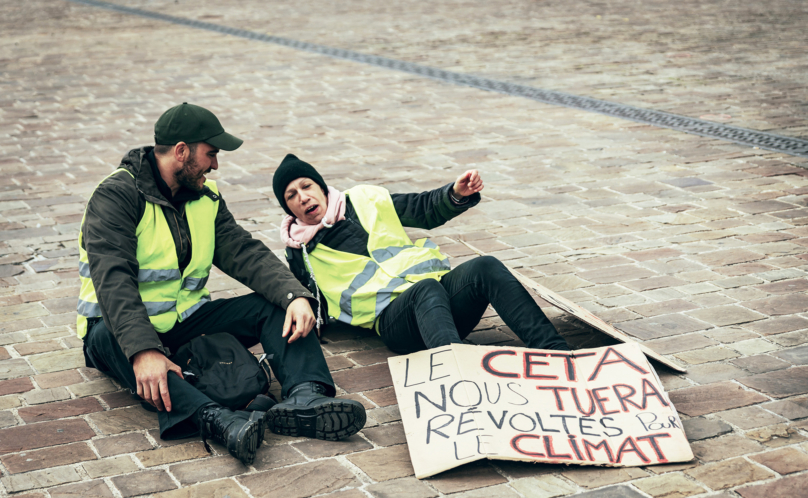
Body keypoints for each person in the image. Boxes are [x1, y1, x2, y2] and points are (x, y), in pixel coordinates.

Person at [78, 104, 366, 466]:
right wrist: (144, 351)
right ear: (181, 151)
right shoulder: (116, 195)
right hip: (118, 330)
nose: (215, 164)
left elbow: (245, 253)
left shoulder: (205, 197)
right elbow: (113, 278)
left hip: (186, 322)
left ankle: (306, 397)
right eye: (211, 154)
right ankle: (216, 419)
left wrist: (295, 296)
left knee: (275, 303)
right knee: (108, 337)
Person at [273, 154, 571, 356]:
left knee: (486, 267)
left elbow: (421, 209)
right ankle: (459, 373)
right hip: (397, 323)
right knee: (425, 289)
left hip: (443, 304)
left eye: (306, 186)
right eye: (291, 196)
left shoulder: (364, 198)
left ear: (321, 187)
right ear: (290, 209)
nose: (302, 197)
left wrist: (455, 194)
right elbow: (299, 296)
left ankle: (558, 353)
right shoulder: (301, 252)